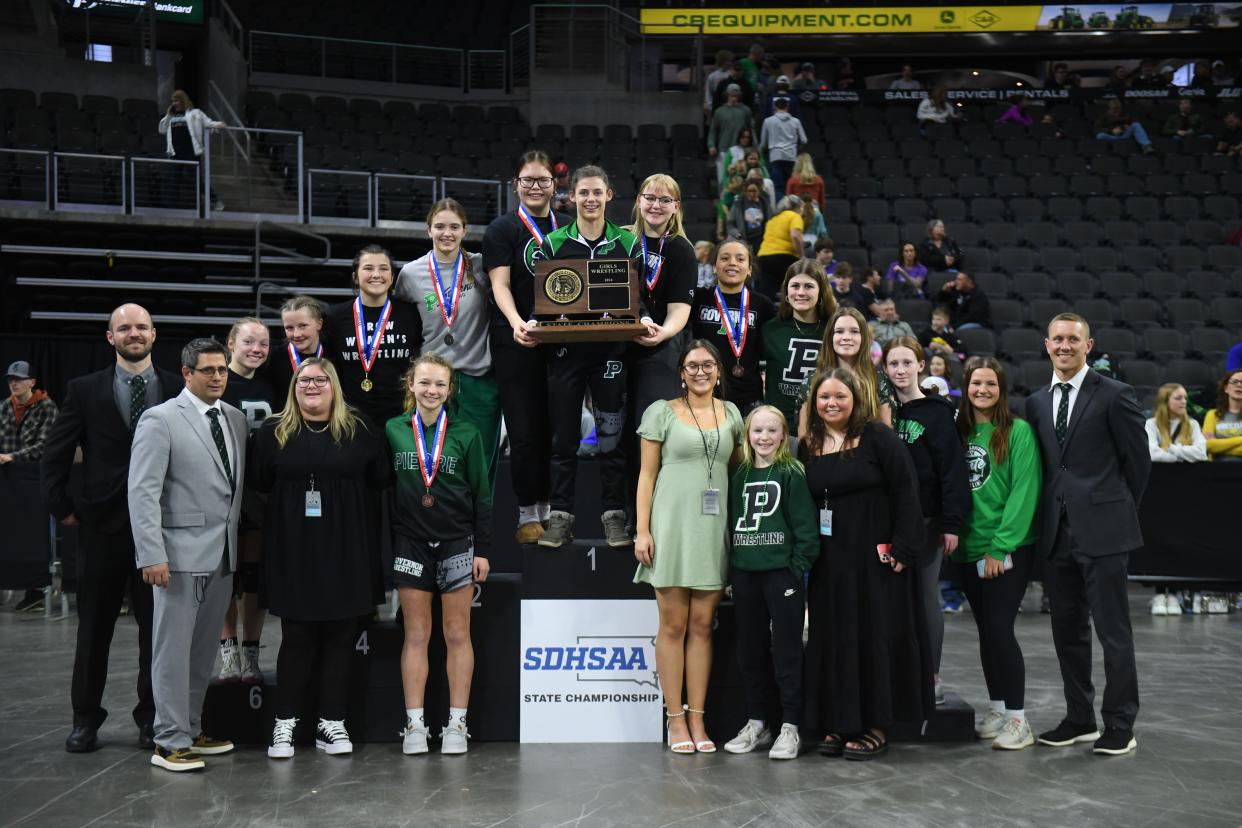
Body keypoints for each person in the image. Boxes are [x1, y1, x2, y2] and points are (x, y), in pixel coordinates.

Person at [40, 304, 181, 753]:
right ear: (110, 338)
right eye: (124, 328)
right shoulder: (83, 390)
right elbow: (55, 454)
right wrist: (62, 506)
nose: (133, 333)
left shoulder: (178, 388)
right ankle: (85, 719)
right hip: (101, 526)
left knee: (155, 632)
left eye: (141, 327)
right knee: (93, 629)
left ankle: (150, 717)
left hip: (160, 529)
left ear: (154, 334)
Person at [250, 358, 391, 758]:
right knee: (296, 638)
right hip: (293, 550)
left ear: (334, 386)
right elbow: (259, 483)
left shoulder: (361, 429)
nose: (311, 386)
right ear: (294, 387)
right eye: (304, 380)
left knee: (340, 638)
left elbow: (381, 479)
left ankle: (332, 722)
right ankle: (285, 722)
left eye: (320, 380)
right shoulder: (272, 432)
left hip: (348, 549)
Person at [1025, 313, 1150, 756]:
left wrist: (1113, 512)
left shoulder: (1115, 394)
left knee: (1113, 633)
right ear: (1046, 345)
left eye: (1072, 340)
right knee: (1067, 632)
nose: (1064, 346)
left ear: (1088, 345)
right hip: (1057, 534)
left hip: (1105, 533)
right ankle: (1079, 718)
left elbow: (1139, 464)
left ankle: (1120, 724)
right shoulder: (1037, 401)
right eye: (1057, 339)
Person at [128, 338, 247, 772]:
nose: (218, 377)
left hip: (221, 555)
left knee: (200, 653)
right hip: (175, 557)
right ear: (186, 373)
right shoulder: (159, 419)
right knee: (171, 652)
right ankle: (168, 740)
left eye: (222, 370)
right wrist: (150, 554)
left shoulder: (233, 419)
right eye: (209, 371)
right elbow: (142, 491)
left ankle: (192, 729)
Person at [800, 367, 928, 760]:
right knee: (835, 638)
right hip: (829, 561)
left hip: (876, 558)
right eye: (824, 397)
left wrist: (905, 550)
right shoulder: (809, 444)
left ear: (855, 398)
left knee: (875, 637)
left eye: (840, 396)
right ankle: (841, 721)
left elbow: (907, 490)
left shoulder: (877, 436)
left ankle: (876, 724)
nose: (831, 403)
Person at [634, 339, 744, 754]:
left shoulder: (732, 414)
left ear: (719, 371)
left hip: (713, 528)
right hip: (671, 525)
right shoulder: (661, 412)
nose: (701, 371)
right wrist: (643, 530)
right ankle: (675, 718)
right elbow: (646, 476)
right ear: (681, 372)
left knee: (702, 626)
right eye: (693, 365)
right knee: (673, 626)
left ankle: (698, 718)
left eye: (709, 365)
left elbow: (736, 472)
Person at [386, 354, 491, 755]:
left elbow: (483, 494)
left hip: (457, 543)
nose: (432, 391)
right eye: (424, 383)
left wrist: (483, 549)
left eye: (440, 385)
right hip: (410, 542)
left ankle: (456, 723)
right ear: (411, 386)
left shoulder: (467, 433)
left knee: (456, 633)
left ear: (450, 390)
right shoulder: (394, 430)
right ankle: (414, 725)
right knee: (416, 635)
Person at [538, 165, 641, 548]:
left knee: (611, 439)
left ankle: (615, 517)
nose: (591, 199)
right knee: (563, 439)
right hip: (566, 352)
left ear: (609, 196)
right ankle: (560, 518)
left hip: (612, 352)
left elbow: (638, 297)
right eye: (584, 193)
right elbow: (544, 300)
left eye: (597, 192)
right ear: (572, 197)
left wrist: (641, 317)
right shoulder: (553, 243)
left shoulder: (627, 245)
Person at [482, 150, 571, 545]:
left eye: (543, 180)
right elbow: (499, 285)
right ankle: (526, 514)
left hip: (562, 342)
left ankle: (552, 512)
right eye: (527, 180)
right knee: (523, 431)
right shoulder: (502, 230)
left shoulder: (568, 227)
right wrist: (518, 323)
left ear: (555, 185)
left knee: (558, 430)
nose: (535, 187)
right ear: (515, 184)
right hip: (515, 339)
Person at [953, 357, 1042, 749]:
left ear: (1001, 389)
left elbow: (1024, 493)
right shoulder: (960, 432)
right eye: (976, 384)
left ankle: (1019, 720)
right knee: (987, 633)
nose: (983, 390)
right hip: (966, 550)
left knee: (1001, 630)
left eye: (991, 384)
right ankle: (998, 707)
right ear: (966, 387)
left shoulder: (1017, 431)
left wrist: (999, 547)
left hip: (1004, 550)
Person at [723, 405, 818, 759]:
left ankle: (790, 726)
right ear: (747, 435)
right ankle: (757, 722)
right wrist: (735, 569)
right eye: (757, 431)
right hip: (746, 574)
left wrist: (795, 568)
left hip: (782, 575)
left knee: (788, 649)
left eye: (771, 431)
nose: (763, 437)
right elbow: (732, 525)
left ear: (783, 436)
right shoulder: (740, 474)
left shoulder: (792, 473)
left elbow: (807, 531)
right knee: (750, 650)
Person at [884, 338, 971, 709]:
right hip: (888, 522)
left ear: (921, 366)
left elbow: (952, 470)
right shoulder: (882, 410)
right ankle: (893, 674)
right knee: (889, 601)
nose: (900, 370)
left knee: (924, 599)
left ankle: (930, 675)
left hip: (927, 520)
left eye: (907, 362)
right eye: (893, 364)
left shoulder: (938, 412)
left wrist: (951, 523)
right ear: (884, 369)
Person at [396, 199, 500, 491]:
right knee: (435, 460)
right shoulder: (410, 274)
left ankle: (479, 532)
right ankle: (438, 527)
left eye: (454, 227)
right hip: (433, 382)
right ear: (428, 230)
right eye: (440, 226)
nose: (447, 233)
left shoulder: (481, 266)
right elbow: (405, 322)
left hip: (479, 378)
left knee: (480, 462)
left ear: (465, 230)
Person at [217, 318, 276, 684]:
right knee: (225, 576)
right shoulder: (217, 381)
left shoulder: (274, 383)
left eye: (263, 343)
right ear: (231, 343)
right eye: (249, 342)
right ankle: (228, 651)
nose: (256, 349)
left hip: (261, 494)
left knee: (254, 578)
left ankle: (251, 653)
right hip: (223, 492)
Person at [628, 174, 697, 460]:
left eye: (665, 200)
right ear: (639, 201)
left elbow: (680, 310)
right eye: (650, 198)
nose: (656, 205)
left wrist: (662, 332)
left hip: (661, 347)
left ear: (676, 206)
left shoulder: (682, 249)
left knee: (652, 429)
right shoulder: (623, 240)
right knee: (619, 429)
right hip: (620, 341)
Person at [324, 244, 420, 427]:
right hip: (350, 417)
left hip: (401, 418)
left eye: (383, 269)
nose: (376, 274)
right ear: (355, 276)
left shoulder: (411, 314)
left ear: (392, 277)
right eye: (368, 268)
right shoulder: (335, 316)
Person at [691, 239, 775, 415]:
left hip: (749, 398)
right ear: (714, 266)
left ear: (750, 269)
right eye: (725, 258)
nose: (732, 263)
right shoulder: (698, 299)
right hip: (704, 396)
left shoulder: (763, 305)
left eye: (740, 259)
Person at [1, 360, 59, 612]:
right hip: (7, 480)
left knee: (32, 535)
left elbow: (47, 445)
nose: (14, 383)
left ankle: (35, 590)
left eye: (19, 379)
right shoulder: (4, 406)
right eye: (11, 379)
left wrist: (14, 457)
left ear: (32, 382)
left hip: (33, 479)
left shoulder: (46, 407)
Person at [798, 306, 895, 435]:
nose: (846, 337)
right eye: (839, 331)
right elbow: (805, 434)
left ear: (864, 338)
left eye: (854, 331)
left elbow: (887, 431)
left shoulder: (878, 380)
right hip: (823, 453)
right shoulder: (812, 380)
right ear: (830, 337)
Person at [762, 259, 835, 430]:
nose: (800, 292)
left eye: (808, 286)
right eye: (795, 286)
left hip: (823, 428)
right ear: (786, 290)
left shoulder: (835, 330)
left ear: (821, 291)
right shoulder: (769, 329)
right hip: (778, 430)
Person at [157, 89, 224, 211]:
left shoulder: (195, 113)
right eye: (172, 101)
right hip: (175, 153)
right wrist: (168, 115)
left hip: (191, 153)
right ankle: (173, 208)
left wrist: (218, 124)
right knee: (174, 181)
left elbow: (208, 122)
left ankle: (215, 200)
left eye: (176, 101)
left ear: (183, 101)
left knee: (197, 181)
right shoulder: (171, 116)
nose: (174, 103)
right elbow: (162, 130)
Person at [269, 295, 328, 405]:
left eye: (303, 326)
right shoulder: (274, 358)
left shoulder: (334, 355)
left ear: (319, 324)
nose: (296, 334)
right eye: (289, 328)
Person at [755, 194, 804, 301]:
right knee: (792, 289)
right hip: (785, 258)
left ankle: (766, 315)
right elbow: (795, 235)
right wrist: (801, 255)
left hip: (764, 258)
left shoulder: (772, 219)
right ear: (798, 208)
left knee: (767, 293)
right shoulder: (794, 216)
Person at [758, 97, 806, 201]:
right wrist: (796, 148)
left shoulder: (768, 121)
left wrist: (761, 153)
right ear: (787, 107)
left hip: (775, 156)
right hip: (792, 157)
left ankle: (781, 212)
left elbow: (763, 143)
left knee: (778, 187)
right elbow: (804, 140)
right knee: (792, 186)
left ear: (775, 107)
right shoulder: (796, 121)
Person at [1146, 383, 1207, 463]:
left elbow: (1201, 453)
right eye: (1178, 398)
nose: (1184, 402)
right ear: (1165, 401)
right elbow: (1152, 454)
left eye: (1185, 398)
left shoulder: (1192, 424)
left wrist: (1170, 449)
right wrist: (1178, 459)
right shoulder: (1151, 424)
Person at [708, 84, 755, 181]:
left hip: (740, 150)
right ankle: (722, 196)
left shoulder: (746, 110)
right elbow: (713, 130)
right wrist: (711, 145)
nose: (734, 98)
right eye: (731, 95)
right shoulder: (719, 111)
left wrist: (754, 146)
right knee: (722, 178)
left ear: (739, 96)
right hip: (724, 149)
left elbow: (750, 130)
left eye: (736, 96)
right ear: (727, 95)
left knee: (740, 177)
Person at [1203, 370, 1242, 461]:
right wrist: (1240, 440)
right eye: (1234, 382)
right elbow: (1207, 445)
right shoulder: (1212, 415)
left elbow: (1213, 445)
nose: (1239, 385)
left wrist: (1218, 445)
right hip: (1217, 470)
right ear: (1226, 388)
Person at [727, 179, 769, 250]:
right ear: (745, 191)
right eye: (749, 191)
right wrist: (737, 234)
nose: (752, 194)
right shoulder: (738, 204)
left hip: (761, 240)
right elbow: (730, 223)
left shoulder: (764, 203)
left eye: (754, 191)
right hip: (744, 240)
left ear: (759, 191)